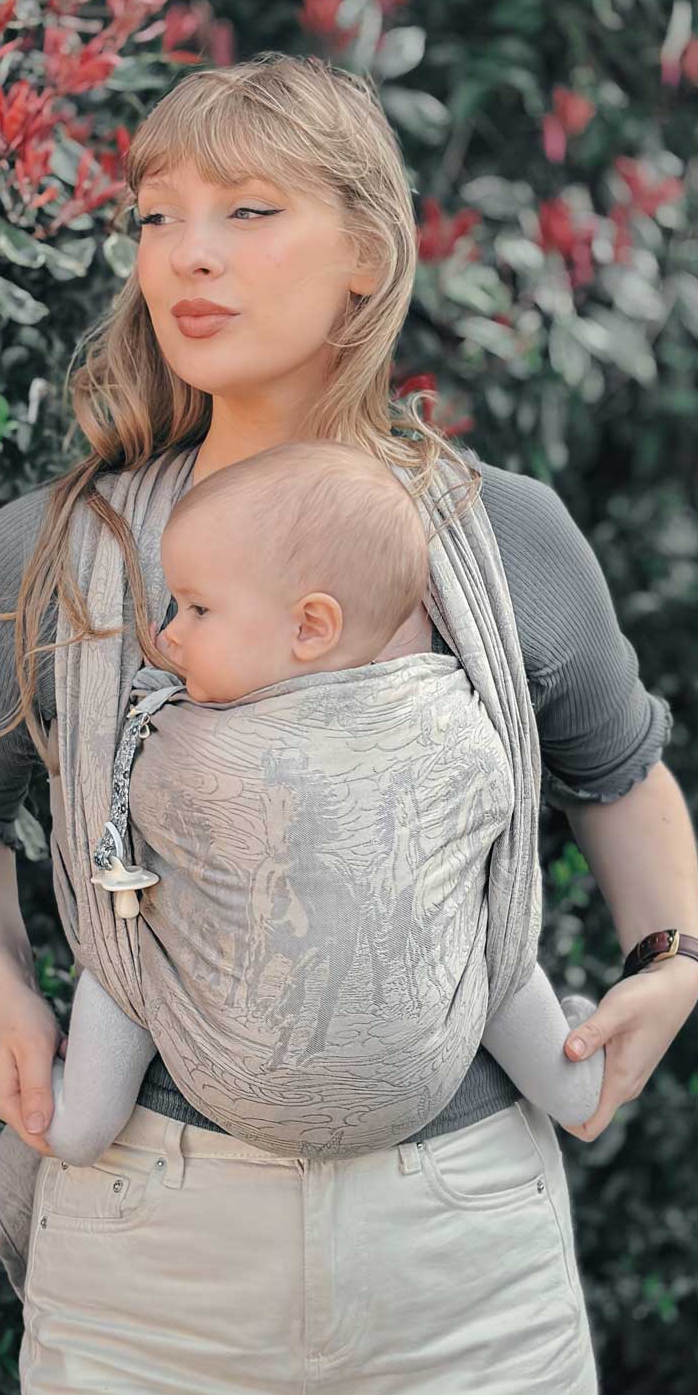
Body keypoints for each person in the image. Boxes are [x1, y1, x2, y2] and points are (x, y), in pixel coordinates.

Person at [0, 52, 698, 1395]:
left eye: (249, 210)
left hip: (460, 1262)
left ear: (367, 257)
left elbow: (622, 776)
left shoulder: (503, 538)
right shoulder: (43, 559)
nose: (188, 255)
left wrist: (674, 958)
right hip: (150, 1267)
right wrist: (7, 992)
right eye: (157, 217)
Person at [45, 436, 605, 1171]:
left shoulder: (185, 741)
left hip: (228, 1078)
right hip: (424, 1076)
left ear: (310, 627)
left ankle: (77, 1126)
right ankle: (573, 1088)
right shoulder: (455, 708)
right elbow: (490, 796)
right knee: (496, 958)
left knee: (122, 953)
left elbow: (126, 812)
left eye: (197, 609)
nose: (166, 636)